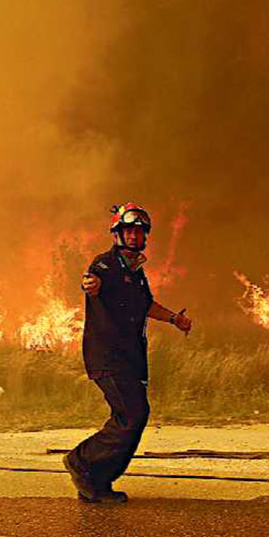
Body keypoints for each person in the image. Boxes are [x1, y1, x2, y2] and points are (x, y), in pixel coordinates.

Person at [63, 203, 192, 503]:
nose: (134, 236)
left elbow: (147, 305)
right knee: (131, 415)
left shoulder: (137, 274)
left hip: (129, 358)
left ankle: (97, 482)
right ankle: (81, 461)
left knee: (135, 416)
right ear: (117, 234)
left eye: (139, 231)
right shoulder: (104, 265)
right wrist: (89, 285)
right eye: (128, 231)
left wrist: (175, 319)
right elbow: (90, 282)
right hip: (107, 357)